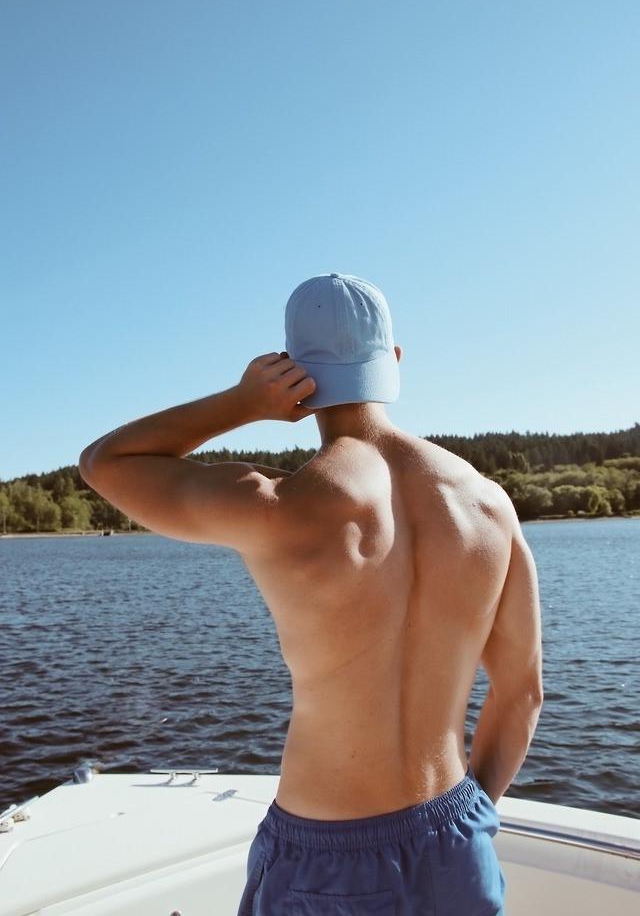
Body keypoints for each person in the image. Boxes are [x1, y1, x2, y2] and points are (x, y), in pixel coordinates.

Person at [79, 272, 544, 916]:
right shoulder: (490, 507)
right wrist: (467, 823)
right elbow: (522, 693)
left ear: (292, 371)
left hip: (329, 856)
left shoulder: (279, 504)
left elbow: (106, 461)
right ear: (396, 363)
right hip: (456, 834)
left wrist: (242, 403)